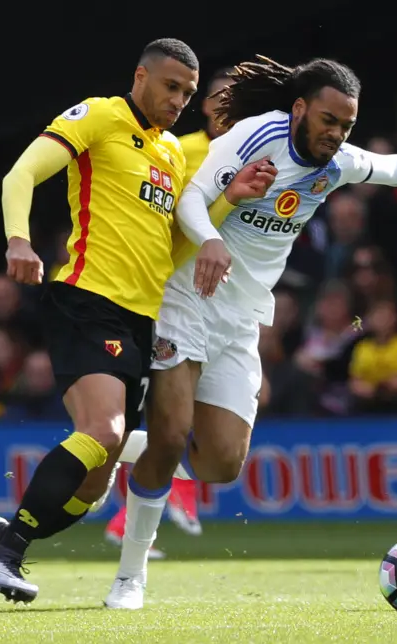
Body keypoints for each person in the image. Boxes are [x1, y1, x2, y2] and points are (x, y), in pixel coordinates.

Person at [101, 54, 397, 610]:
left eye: (347, 125)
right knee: (174, 427)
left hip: (242, 316)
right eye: (329, 120)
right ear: (300, 108)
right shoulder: (255, 137)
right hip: (187, 295)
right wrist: (209, 239)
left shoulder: (338, 164)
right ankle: (129, 578)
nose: (337, 133)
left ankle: (124, 447)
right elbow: (189, 198)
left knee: (221, 465)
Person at [0, 40, 276, 608]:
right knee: (105, 432)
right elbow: (21, 173)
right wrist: (19, 237)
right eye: (170, 86)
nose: (179, 100)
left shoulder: (172, 156)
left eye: (187, 91)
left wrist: (227, 200)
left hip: (142, 322)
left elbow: (174, 245)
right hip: (88, 301)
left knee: (93, 485)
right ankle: (2, 558)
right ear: (141, 76)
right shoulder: (100, 116)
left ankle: (6, 539)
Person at [104, 68, 236, 549]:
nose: (229, 109)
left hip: (228, 309)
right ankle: (126, 502)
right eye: (221, 99)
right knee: (167, 424)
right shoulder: (183, 150)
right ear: (205, 105)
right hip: (173, 298)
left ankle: (108, 460)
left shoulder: (256, 156)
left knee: (198, 435)